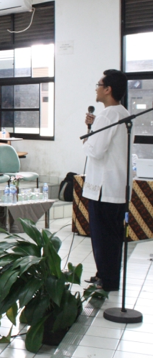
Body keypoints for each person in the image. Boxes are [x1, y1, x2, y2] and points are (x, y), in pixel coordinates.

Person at [83, 69, 130, 292]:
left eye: (99, 84)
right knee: (111, 237)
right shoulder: (123, 113)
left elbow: (96, 150)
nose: (96, 88)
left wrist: (89, 135)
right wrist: (93, 128)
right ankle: (106, 276)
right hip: (116, 186)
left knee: (103, 237)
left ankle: (108, 280)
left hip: (103, 188)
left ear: (108, 89)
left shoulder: (108, 115)